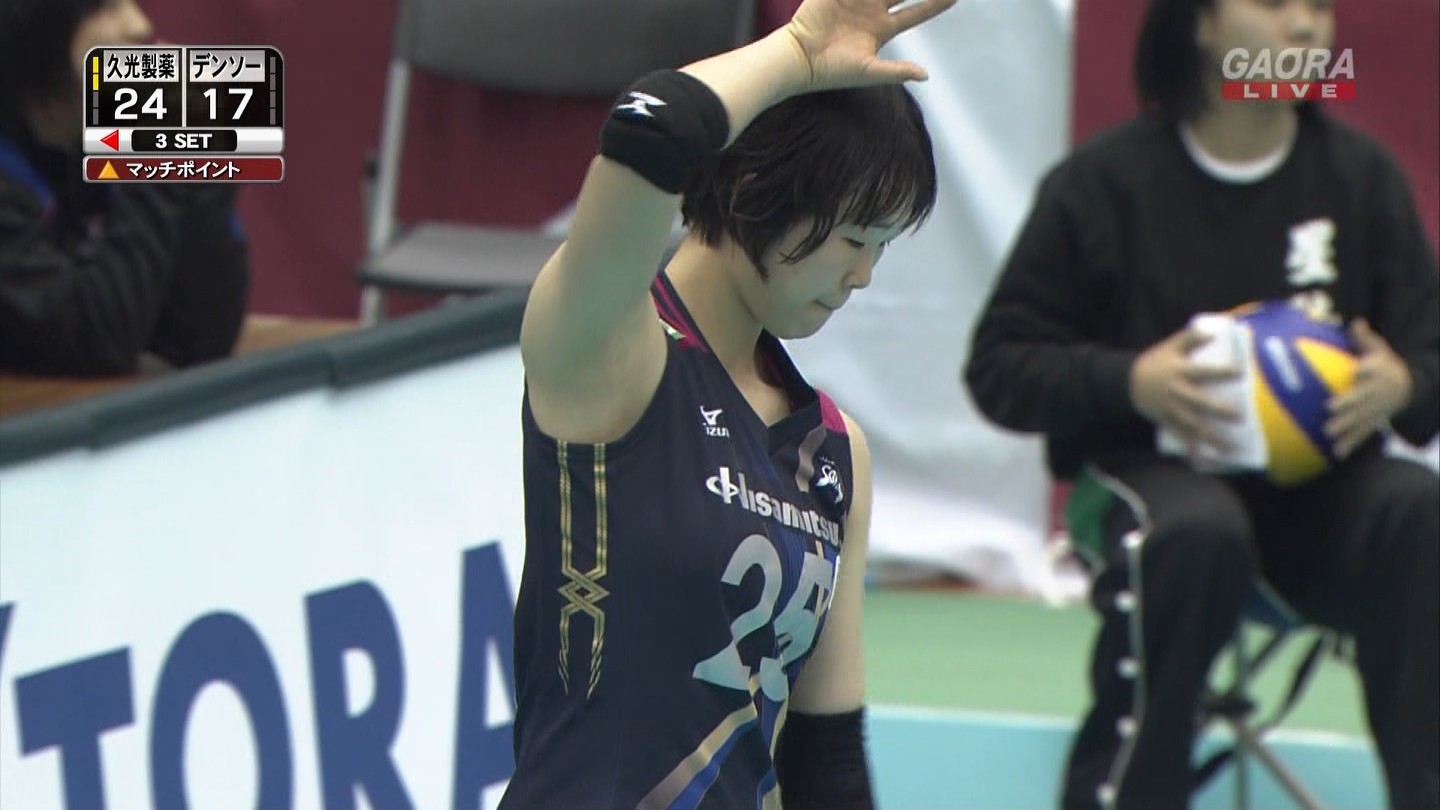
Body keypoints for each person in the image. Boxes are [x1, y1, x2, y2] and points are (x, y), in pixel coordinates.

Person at [965, 0, 1439, 807]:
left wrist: (1404, 385)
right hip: (1148, 480)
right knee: (1196, 534)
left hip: (1318, 501)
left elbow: (1428, 356)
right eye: (1275, 4)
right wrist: (1131, 382)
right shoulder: (1103, 184)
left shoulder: (1361, 180)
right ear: (1202, 23)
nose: (1306, 29)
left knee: (1418, 510)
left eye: (1319, 7)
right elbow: (1000, 368)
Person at [501, 0, 954, 807]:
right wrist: (797, 54)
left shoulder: (834, 451)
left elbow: (826, 760)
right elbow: (652, 127)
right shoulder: (610, 348)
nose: (863, 276)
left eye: (883, 246)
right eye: (854, 237)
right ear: (753, 185)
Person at [0, 0, 249, 376]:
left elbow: (201, 339)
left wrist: (196, 160)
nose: (140, 25)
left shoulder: (92, 142)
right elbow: (97, 341)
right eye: (105, 7)